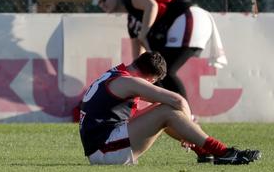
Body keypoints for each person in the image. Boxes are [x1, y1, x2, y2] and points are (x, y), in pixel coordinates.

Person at [79, 51, 261, 165]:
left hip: (102, 146)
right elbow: (179, 100)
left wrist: (185, 131)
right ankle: (223, 152)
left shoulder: (117, 73)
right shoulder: (130, 82)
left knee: (162, 110)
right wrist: (188, 127)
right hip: (104, 152)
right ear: (151, 79)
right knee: (167, 110)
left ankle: (204, 151)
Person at [96, 0, 219, 102]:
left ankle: (186, 115)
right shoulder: (132, 20)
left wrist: (144, 33)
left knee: (166, 71)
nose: (101, 4)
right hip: (183, 22)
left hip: (187, 17)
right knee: (153, 73)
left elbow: (152, 5)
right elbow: (138, 57)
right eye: (98, 2)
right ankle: (173, 113)